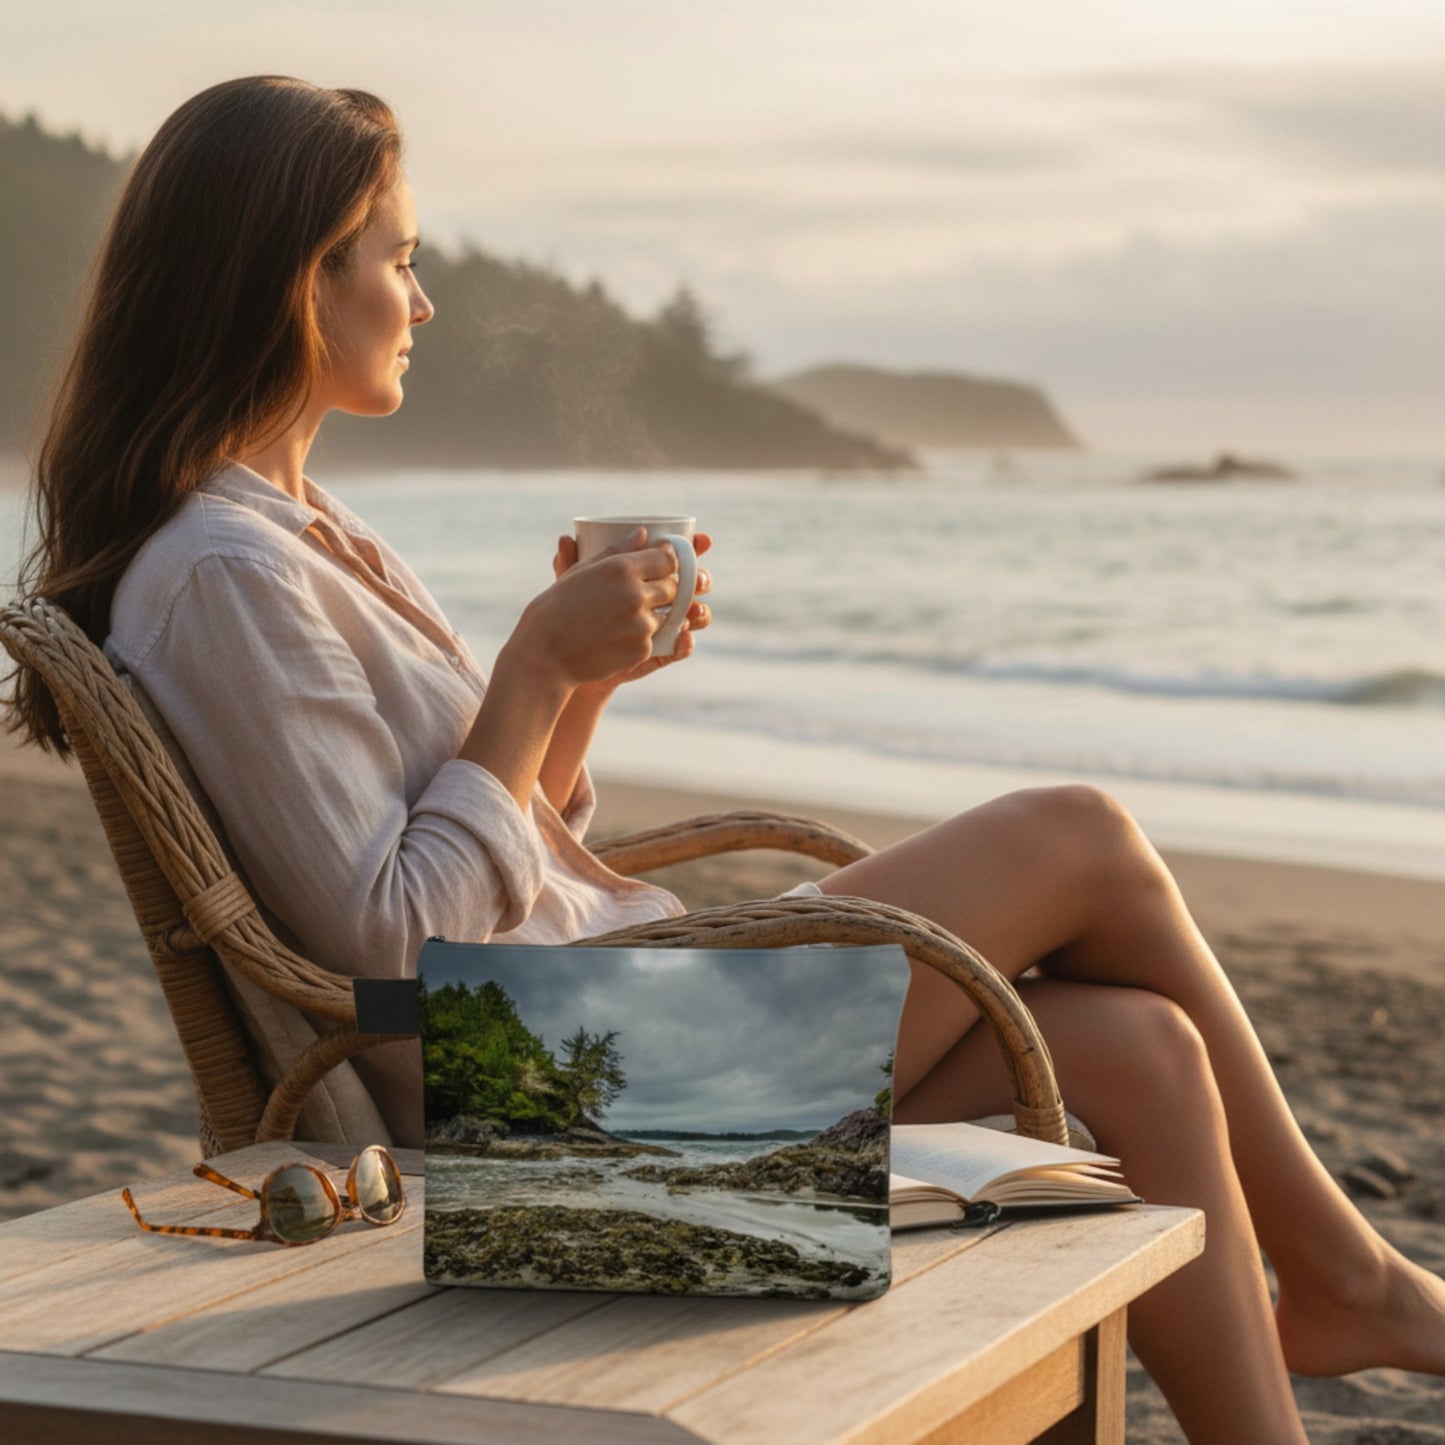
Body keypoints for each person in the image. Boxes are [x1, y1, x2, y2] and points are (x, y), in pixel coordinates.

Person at [5, 76, 1442, 1443]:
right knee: (1076, 829)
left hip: (591, 1040)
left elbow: (508, 847)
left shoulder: (309, 536)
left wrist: (582, 690)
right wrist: (527, 669)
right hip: (546, 1098)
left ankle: (1292, 1365)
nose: (423, 296)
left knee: (1142, 1046)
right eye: (397, 256)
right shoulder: (221, 574)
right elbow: (394, 940)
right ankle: (1350, 1280)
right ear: (294, 281)